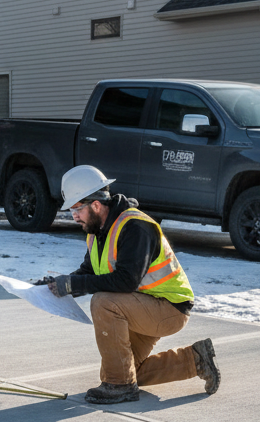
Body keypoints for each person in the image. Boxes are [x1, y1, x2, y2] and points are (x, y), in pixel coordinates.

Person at [43, 165, 221, 404]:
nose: (73, 216)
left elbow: (126, 280)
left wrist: (74, 284)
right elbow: (89, 272)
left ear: (96, 205)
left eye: (76, 209)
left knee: (103, 303)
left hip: (169, 307)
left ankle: (120, 387)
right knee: (123, 370)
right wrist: (58, 287)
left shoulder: (136, 227)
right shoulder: (97, 232)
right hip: (140, 305)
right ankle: (197, 359)